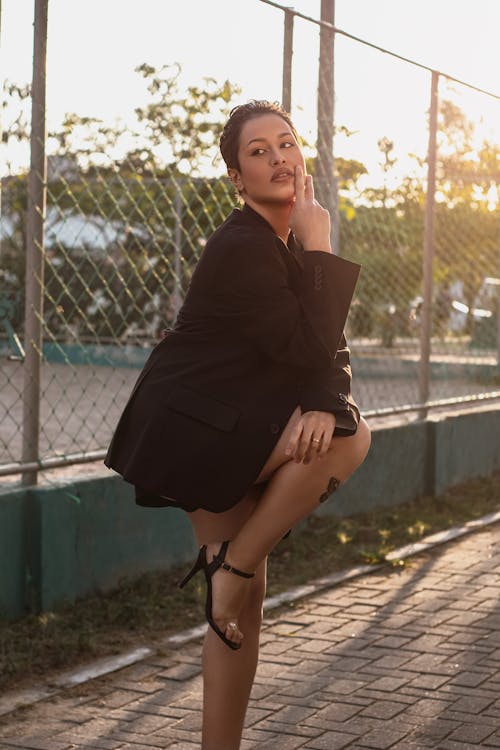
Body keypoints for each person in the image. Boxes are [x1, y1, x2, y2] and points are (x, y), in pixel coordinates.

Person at [105, 100, 371, 750]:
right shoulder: (245, 247)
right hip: (195, 433)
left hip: (223, 425)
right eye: (259, 151)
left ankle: (220, 730)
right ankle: (233, 571)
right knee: (346, 437)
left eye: (287, 143)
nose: (279, 157)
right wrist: (323, 244)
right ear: (236, 178)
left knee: (238, 616)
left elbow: (317, 348)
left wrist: (321, 398)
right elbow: (315, 348)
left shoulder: (278, 244)